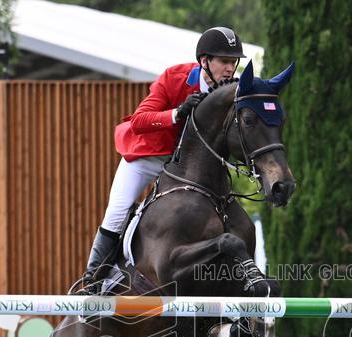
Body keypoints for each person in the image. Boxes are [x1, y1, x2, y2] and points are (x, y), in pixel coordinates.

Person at [78, 27, 246, 292]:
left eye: (233, 62)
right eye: (224, 61)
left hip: (189, 165)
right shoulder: (175, 77)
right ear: (204, 61)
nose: (230, 68)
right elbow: (139, 120)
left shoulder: (230, 90)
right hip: (150, 155)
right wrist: (177, 113)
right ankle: (92, 281)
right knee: (118, 211)